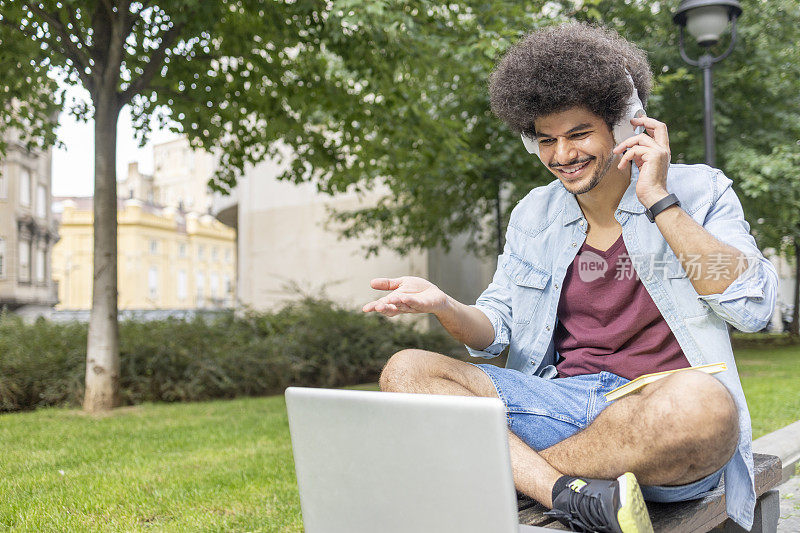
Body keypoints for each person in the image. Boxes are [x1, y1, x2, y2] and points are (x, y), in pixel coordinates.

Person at [362, 22, 777, 533]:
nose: (562, 156)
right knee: (406, 370)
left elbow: (753, 307)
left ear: (625, 126)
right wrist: (445, 306)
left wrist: (658, 200)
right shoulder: (533, 215)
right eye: (546, 140)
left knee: (706, 408)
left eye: (579, 134)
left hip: (657, 408)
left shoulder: (700, 191)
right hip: (560, 402)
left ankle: (518, 472)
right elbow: (497, 329)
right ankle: (565, 491)